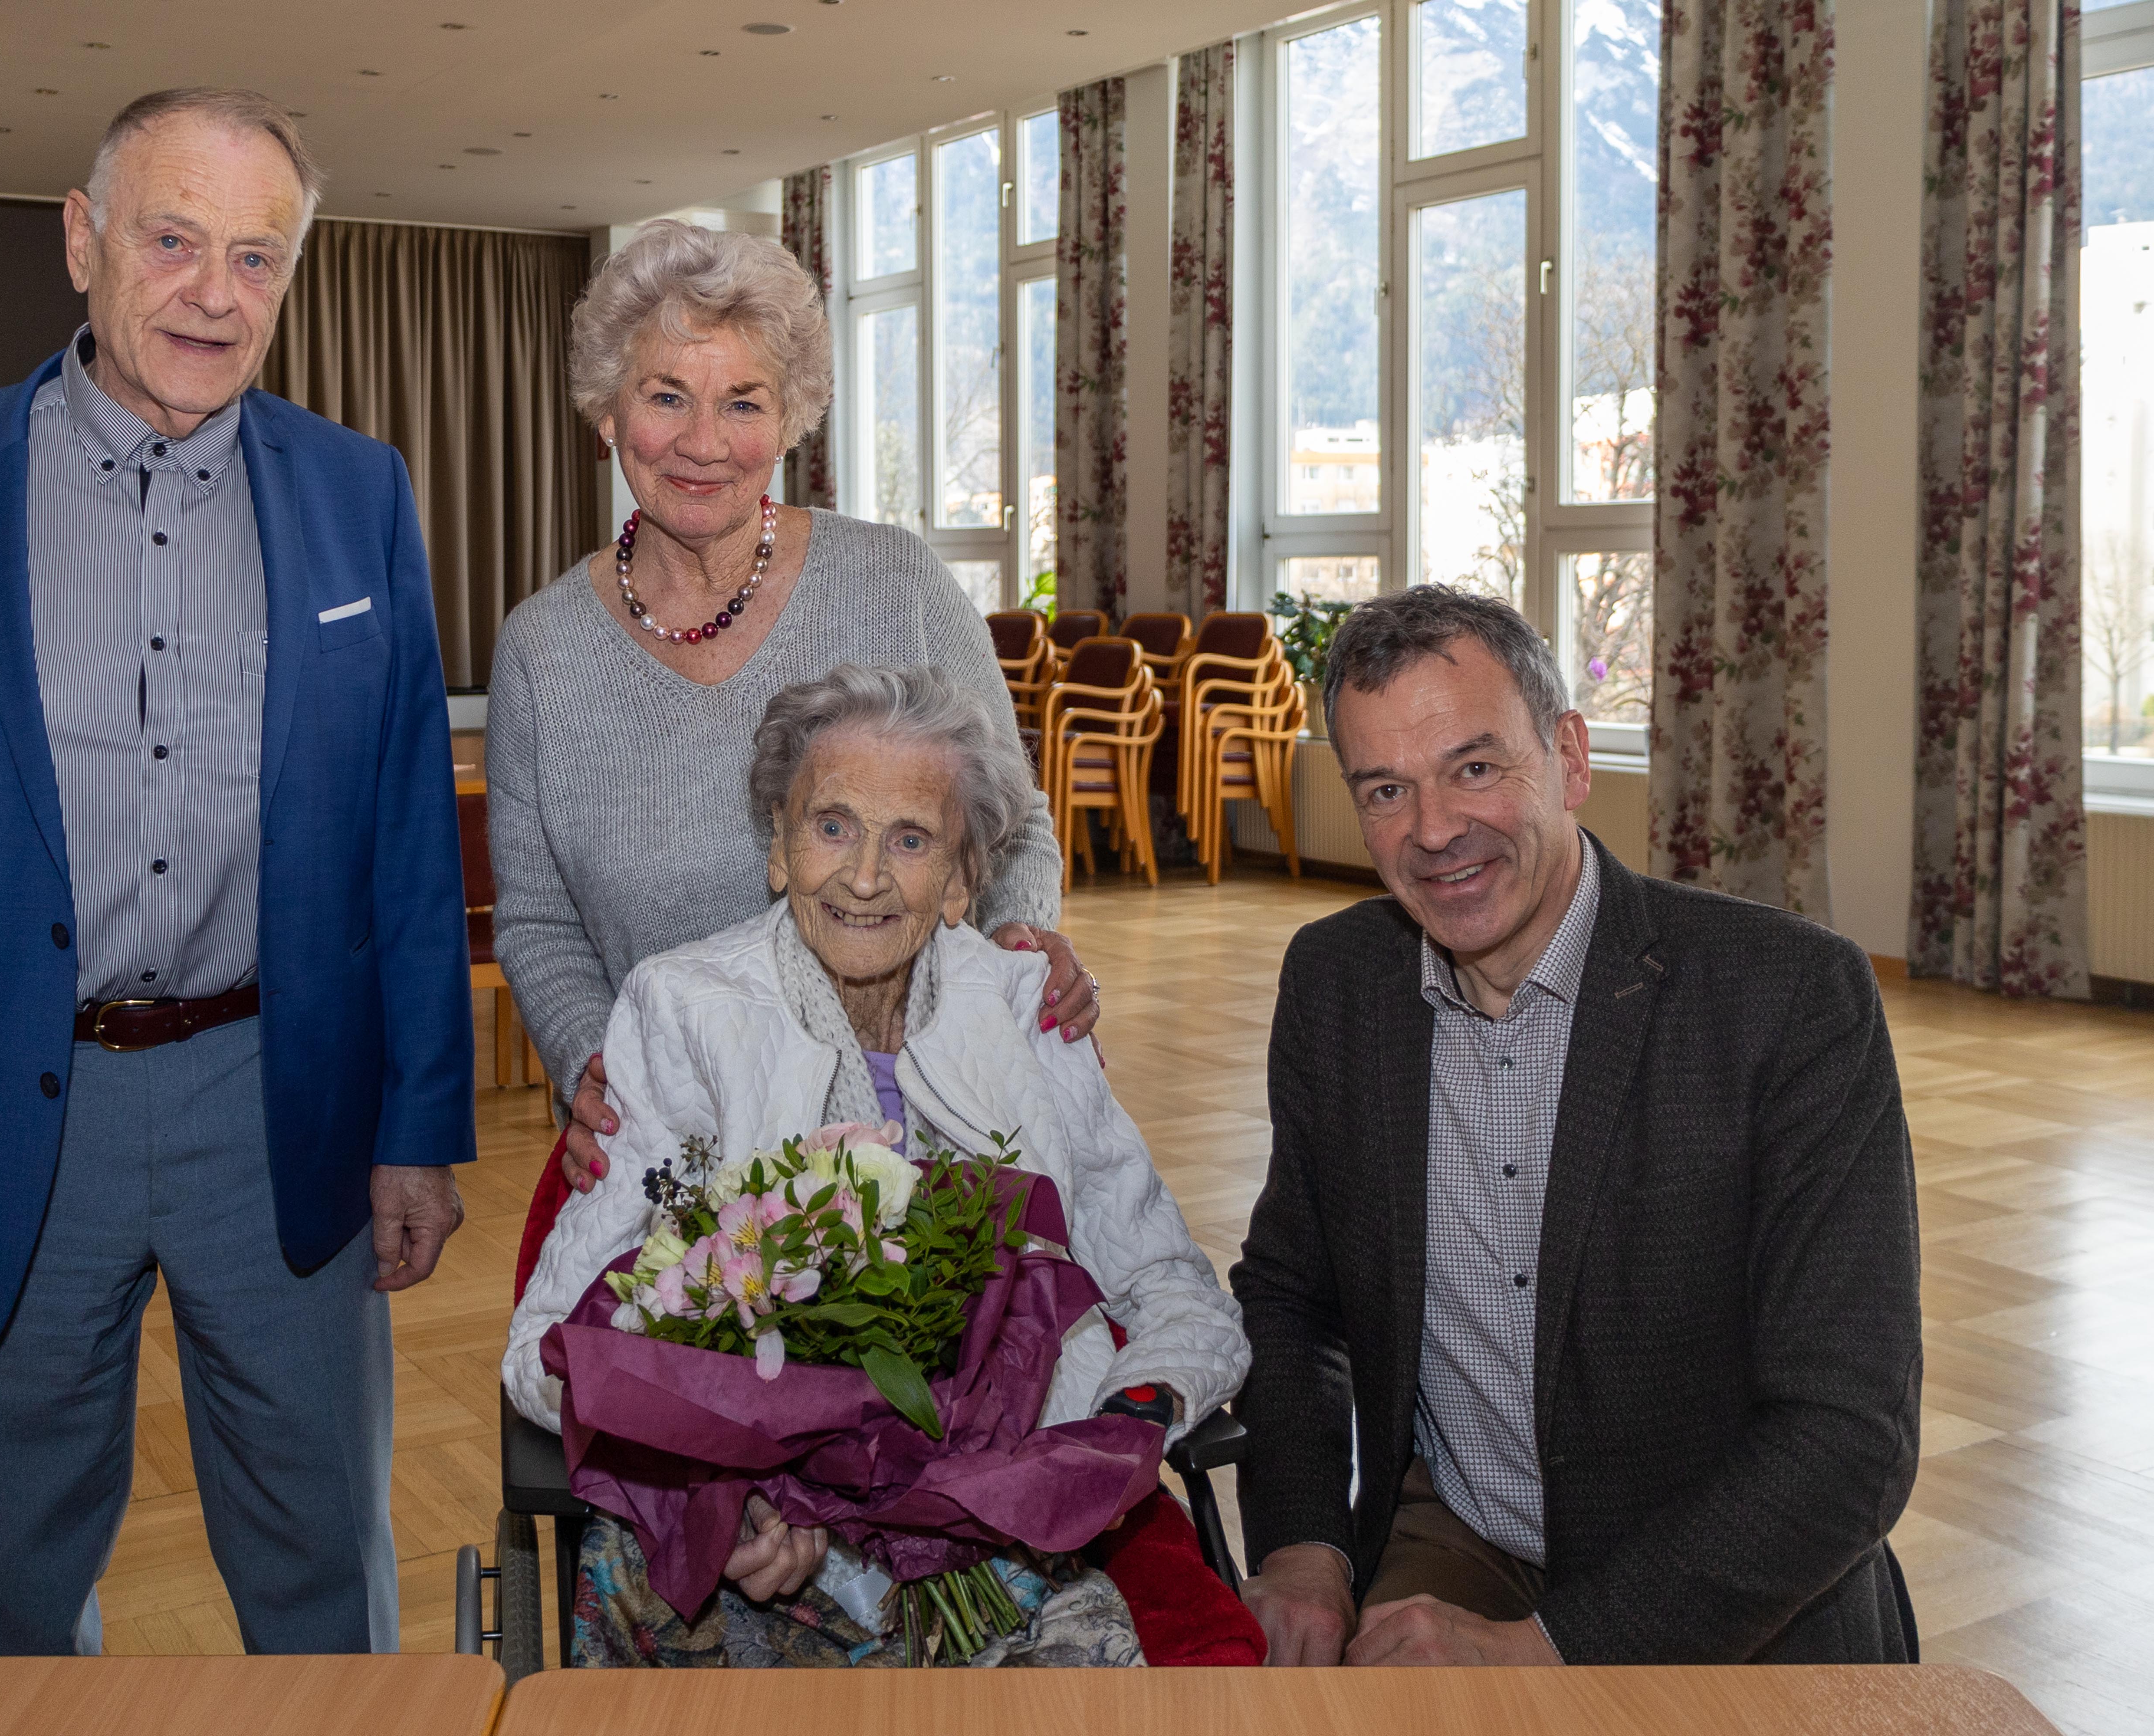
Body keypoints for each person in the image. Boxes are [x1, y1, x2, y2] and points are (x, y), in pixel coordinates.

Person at [0, 89, 473, 1656]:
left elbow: (406, 840)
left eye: (257, 259)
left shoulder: (361, 497)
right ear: (83, 242)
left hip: (275, 1097)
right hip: (7, 1111)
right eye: (173, 240)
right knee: (12, 1575)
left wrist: (421, 1126)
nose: (216, 294)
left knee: (323, 1568)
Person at [504, 664, 1251, 1665]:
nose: (863, 875)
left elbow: (1171, 1287)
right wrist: (729, 1483)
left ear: (961, 880)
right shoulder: (682, 1009)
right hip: (764, 1544)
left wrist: (1125, 1416)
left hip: (1004, 1514)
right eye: (830, 826)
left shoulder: (1028, 1007)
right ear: (776, 847)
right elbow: (547, 1349)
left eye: (910, 838)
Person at [1230, 586, 1921, 1667]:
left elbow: (1851, 1436)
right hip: (1462, 1536)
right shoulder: (1337, 984)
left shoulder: (1788, 999)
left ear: (1570, 756)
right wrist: (1309, 1538)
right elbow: (1291, 1296)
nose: (1435, 830)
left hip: (1729, 1577)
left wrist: (1552, 1647)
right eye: (1385, 789)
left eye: (1474, 767)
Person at [487, 220, 1098, 1251]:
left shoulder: (895, 583)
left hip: (924, 1151)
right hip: (672, 1159)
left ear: (791, 420)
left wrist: (1016, 948)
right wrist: (604, 1064)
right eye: (666, 395)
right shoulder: (542, 649)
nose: (702, 441)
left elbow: (1016, 828)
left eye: (744, 402)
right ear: (606, 411)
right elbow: (541, 924)